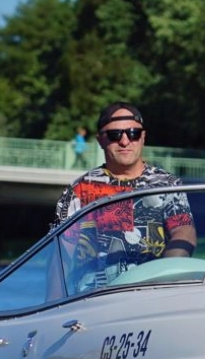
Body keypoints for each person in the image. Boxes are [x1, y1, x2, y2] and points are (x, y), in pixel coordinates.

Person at [54, 102, 197, 287]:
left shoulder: (168, 185)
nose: (124, 141)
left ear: (143, 137)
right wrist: (51, 306)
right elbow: (59, 257)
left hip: (150, 297)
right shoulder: (76, 191)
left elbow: (184, 232)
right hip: (91, 303)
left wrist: (165, 274)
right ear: (100, 141)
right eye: (114, 135)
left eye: (133, 133)